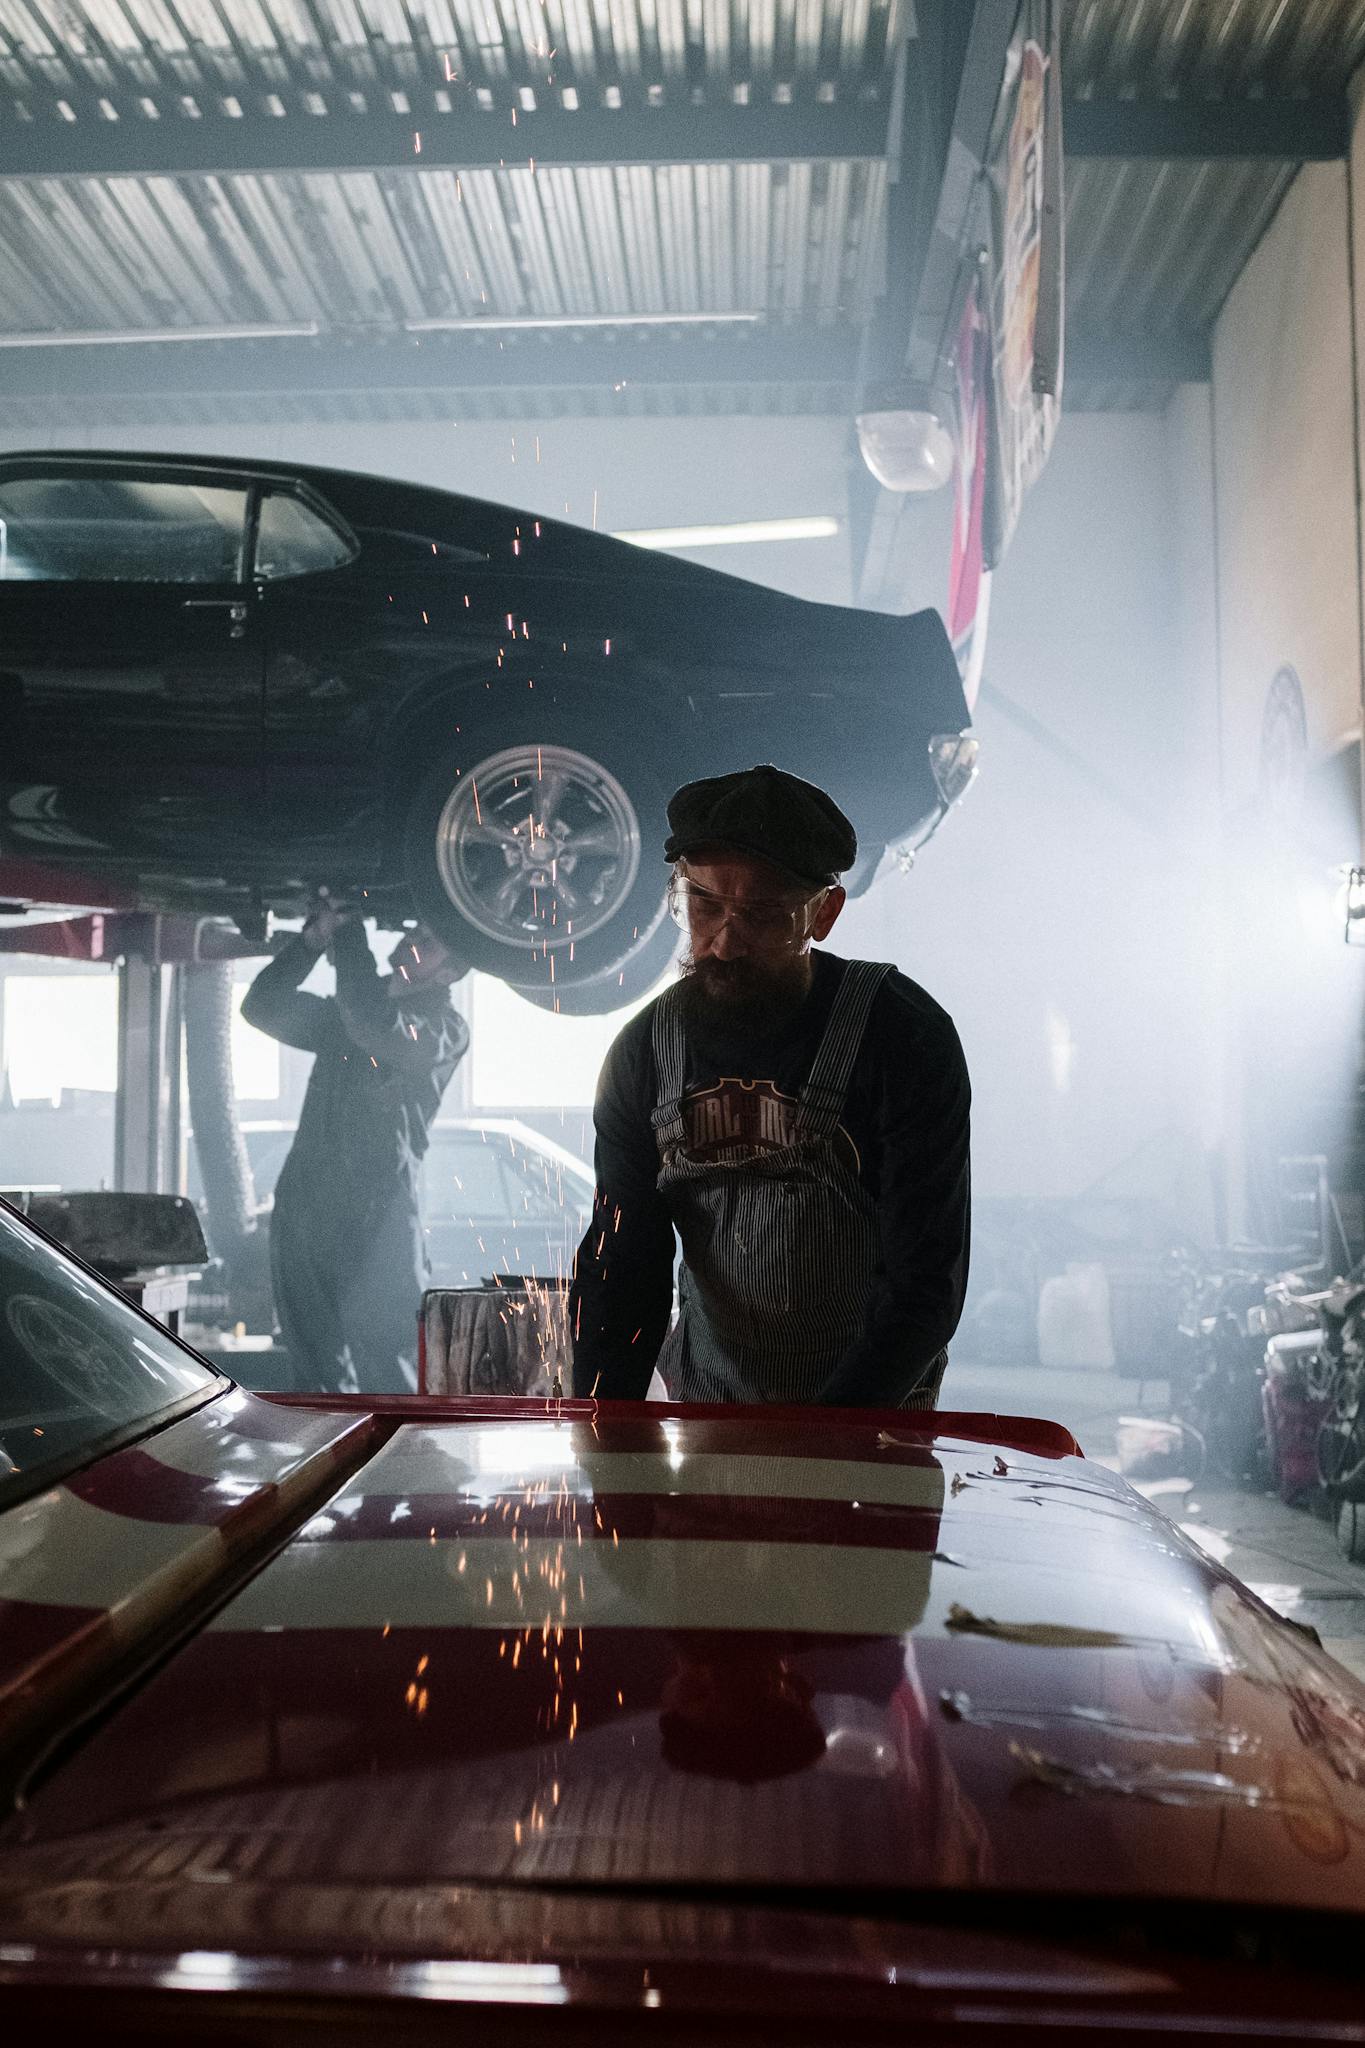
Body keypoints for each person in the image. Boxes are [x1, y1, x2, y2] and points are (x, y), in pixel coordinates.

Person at [570, 764, 970, 1408]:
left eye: (760, 914)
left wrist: (824, 1444)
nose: (724, 942)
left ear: (824, 913)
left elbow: (925, 1288)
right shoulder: (644, 1053)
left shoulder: (902, 1038)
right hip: (706, 1419)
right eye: (703, 904)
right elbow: (624, 1267)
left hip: (871, 1433)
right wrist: (601, 1435)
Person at [241, 903, 469, 1393]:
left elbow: (371, 1023)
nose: (409, 940)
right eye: (412, 928)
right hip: (304, 1210)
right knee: (315, 1380)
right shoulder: (346, 1018)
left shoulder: (442, 1031)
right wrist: (308, 946)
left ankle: (400, 1470)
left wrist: (348, 935)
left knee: (391, 1375)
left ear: (450, 971)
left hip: (377, 1222)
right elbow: (261, 1006)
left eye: (426, 941)